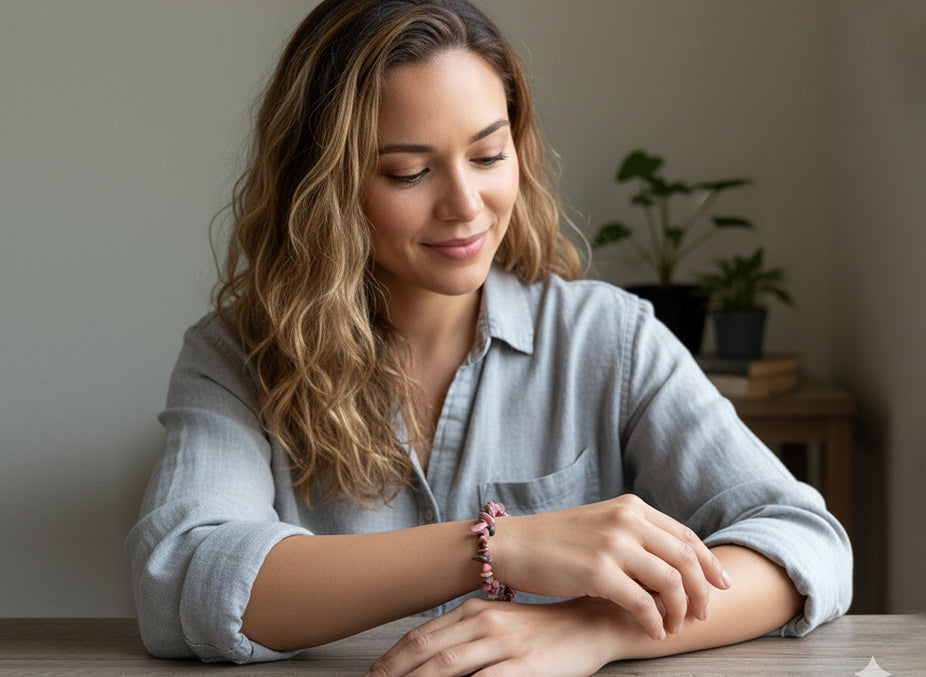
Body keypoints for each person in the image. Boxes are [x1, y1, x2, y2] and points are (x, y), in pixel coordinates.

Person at [126, 0, 852, 673]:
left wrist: (591, 630)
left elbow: (803, 541)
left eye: (487, 154)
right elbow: (179, 575)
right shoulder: (235, 354)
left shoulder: (610, 338)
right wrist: (498, 546)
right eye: (409, 172)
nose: (466, 206)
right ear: (324, 188)